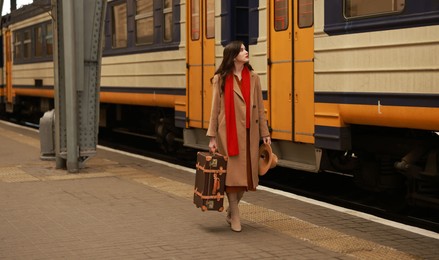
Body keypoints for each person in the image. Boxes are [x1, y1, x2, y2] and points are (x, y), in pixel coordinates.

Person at [206, 41, 271, 232]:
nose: (246, 51)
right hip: (228, 136)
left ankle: (231, 211)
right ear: (233, 56)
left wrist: (265, 133)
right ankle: (235, 215)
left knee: (246, 179)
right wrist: (212, 137)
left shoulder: (254, 78)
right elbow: (215, 109)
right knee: (233, 178)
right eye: (242, 50)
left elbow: (259, 108)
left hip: (250, 136)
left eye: (245, 49)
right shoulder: (220, 79)